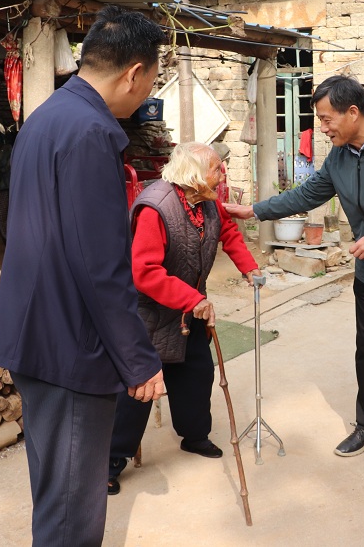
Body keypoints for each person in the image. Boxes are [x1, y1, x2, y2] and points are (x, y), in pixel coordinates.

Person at [0, 5, 167, 547]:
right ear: (134, 72)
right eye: (151, 81)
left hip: (34, 329)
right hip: (68, 343)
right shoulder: (91, 132)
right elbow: (102, 266)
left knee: (56, 492)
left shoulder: (47, 116)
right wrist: (138, 360)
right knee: (72, 508)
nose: (144, 95)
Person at [225, 74, 364, 478]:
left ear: (353, 112)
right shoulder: (342, 155)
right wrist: (254, 210)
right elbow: (309, 194)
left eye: (327, 120)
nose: (322, 128)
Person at [107, 142, 261, 494]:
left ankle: (194, 436)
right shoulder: (156, 208)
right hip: (152, 313)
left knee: (196, 373)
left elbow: (228, 233)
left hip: (190, 311)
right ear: (195, 174)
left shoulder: (206, 201)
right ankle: (110, 462)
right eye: (217, 169)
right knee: (140, 388)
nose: (222, 174)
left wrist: (249, 268)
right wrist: (191, 298)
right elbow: (143, 272)